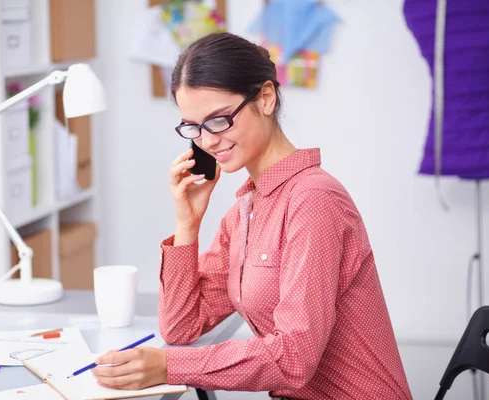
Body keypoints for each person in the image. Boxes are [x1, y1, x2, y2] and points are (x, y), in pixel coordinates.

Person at [92, 32, 413, 400]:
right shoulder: (246, 210)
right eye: (193, 128)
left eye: (218, 120)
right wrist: (187, 224)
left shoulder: (314, 201)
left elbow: (294, 357)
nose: (207, 141)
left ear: (265, 97)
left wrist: (168, 366)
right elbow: (181, 327)